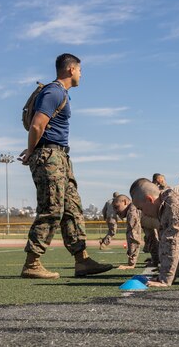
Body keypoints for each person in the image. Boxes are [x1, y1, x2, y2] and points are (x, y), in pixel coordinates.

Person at [19, 53, 112, 279]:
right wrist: (31, 151)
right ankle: (32, 262)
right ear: (71, 69)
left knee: (72, 208)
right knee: (52, 209)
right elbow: (37, 125)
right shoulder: (54, 91)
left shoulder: (61, 93)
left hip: (60, 157)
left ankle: (82, 260)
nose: (81, 74)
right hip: (50, 156)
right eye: (80, 70)